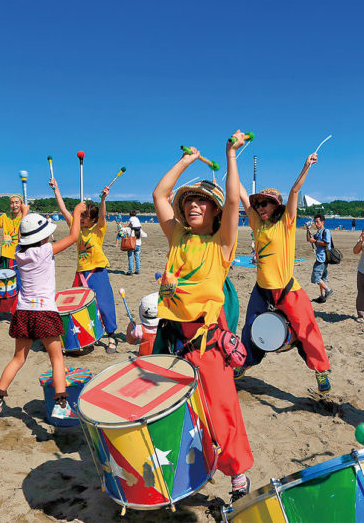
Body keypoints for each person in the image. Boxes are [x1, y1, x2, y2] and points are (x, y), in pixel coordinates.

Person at [151, 132, 253, 504]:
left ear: (214, 211)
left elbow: (233, 209)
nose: (194, 204)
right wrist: (187, 162)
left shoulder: (222, 244)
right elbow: (160, 196)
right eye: (190, 200)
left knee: (223, 409)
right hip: (171, 340)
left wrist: (230, 156)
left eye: (202, 201)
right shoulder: (177, 235)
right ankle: (190, 468)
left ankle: (238, 473)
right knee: (177, 412)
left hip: (208, 343)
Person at [239, 154, 332, 393]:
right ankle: (245, 363)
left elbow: (294, 191)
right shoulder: (258, 224)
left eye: (265, 204)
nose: (260, 208)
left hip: (288, 290)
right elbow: (240, 193)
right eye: (257, 204)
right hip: (262, 290)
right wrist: (231, 159)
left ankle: (320, 371)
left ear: (277, 207)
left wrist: (306, 166)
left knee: (307, 330)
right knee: (249, 328)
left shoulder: (286, 223)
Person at [0, 203, 85, 418]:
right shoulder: (45, 250)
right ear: (43, 237)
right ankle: (60, 403)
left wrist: (25, 213)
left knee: (18, 358)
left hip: (23, 312)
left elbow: (26, 232)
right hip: (44, 311)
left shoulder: (18, 252)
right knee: (57, 359)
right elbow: (75, 236)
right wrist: (76, 212)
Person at [49, 178, 118, 352]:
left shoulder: (98, 229)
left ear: (92, 220)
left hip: (97, 272)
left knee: (104, 304)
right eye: (81, 215)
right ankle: (83, 336)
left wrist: (103, 200)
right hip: (80, 273)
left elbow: (102, 216)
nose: (80, 218)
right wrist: (56, 189)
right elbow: (63, 209)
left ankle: (111, 337)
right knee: (74, 306)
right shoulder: (76, 227)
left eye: (85, 216)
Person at [306, 214, 333, 303]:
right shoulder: (318, 232)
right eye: (315, 222)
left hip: (323, 258)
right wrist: (308, 229)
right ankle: (322, 296)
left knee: (316, 277)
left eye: (317, 222)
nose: (316, 224)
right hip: (321, 258)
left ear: (322, 222)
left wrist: (316, 241)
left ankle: (328, 290)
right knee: (323, 277)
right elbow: (309, 239)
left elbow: (326, 243)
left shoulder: (326, 231)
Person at [126, 210, 142, 275]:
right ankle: (137, 270)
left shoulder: (131, 229)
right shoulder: (139, 229)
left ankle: (130, 270)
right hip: (138, 244)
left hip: (132, 245)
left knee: (130, 257)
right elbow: (145, 235)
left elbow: (126, 225)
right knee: (137, 257)